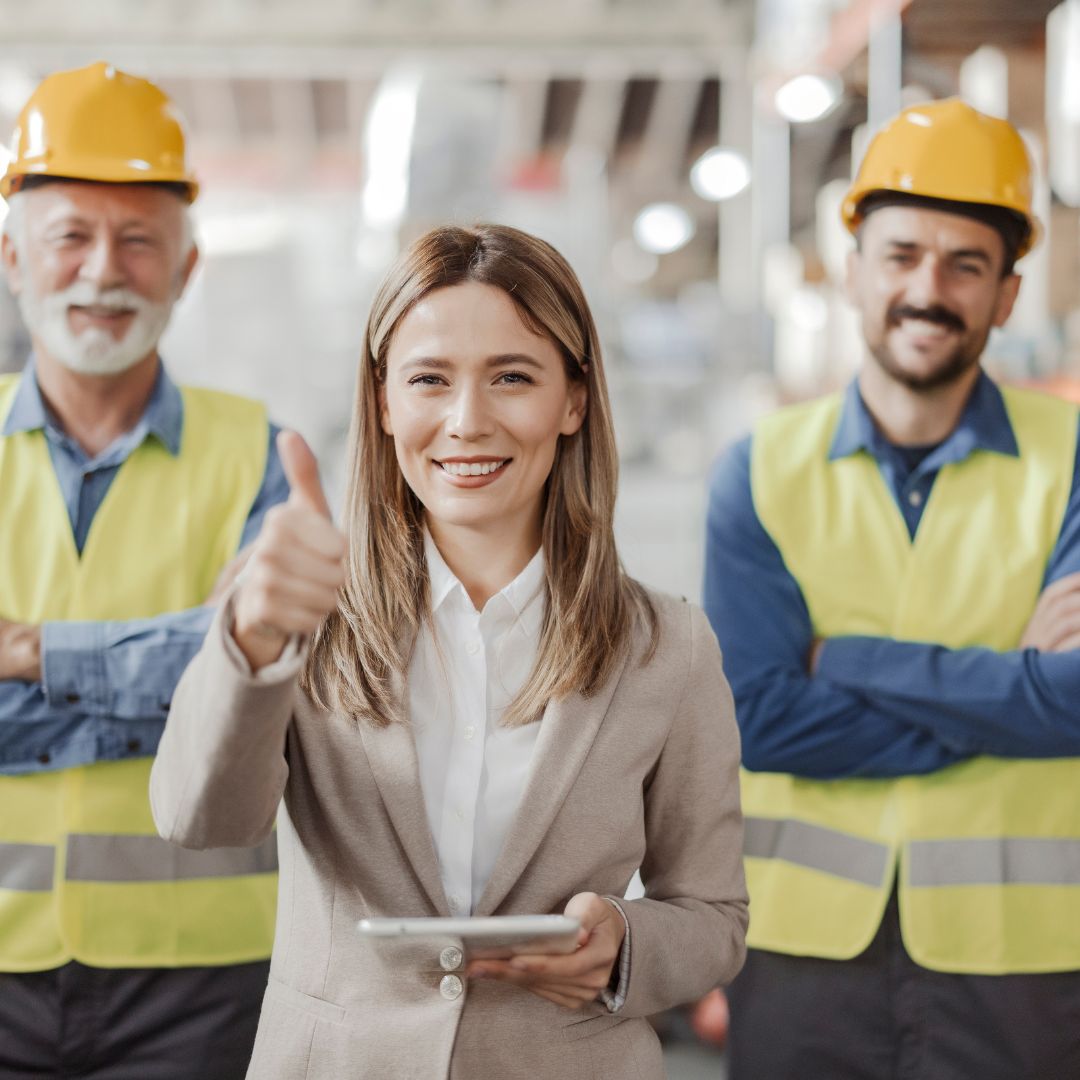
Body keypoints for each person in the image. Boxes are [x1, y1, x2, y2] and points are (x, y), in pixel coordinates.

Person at [150, 222, 748, 1079]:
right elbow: (199, 819)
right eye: (429, 379)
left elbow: (714, 916)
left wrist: (624, 943)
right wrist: (252, 636)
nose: (468, 422)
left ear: (573, 400)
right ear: (385, 401)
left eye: (513, 377)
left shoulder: (669, 648)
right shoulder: (297, 601)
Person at [705, 97, 1080, 1080]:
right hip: (800, 957)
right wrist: (1013, 690)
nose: (930, 289)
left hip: (1024, 962)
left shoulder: (1075, 459)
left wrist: (852, 663)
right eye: (904, 254)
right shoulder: (760, 470)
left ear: (1007, 296)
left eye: (968, 265)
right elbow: (758, 717)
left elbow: (1078, 704)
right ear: (853, 270)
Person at [0, 62, 288, 1078]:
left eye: (137, 241)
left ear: (186, 266)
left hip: (202, 972)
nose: (102, 270)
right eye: (70, 236)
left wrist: (29, 654)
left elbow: (275, 702)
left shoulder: (260, 452)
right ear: (12, 256)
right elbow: (217, 685)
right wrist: (187, 670)